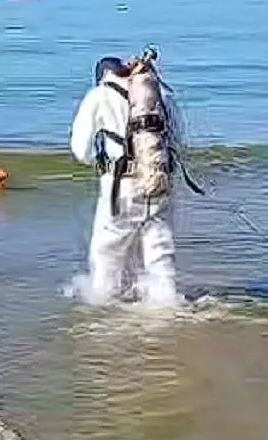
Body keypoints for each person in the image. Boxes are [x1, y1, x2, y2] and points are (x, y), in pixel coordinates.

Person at [69, 56, 179, 307]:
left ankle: (102, 310)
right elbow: (175, 138)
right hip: (159, 180)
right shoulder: (158, 94)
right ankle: (168, 307)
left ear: (102, 76)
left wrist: (100, 162)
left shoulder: (99, 96)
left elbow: (80, 150)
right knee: (160, 252)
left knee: (107, 253)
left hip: (122, 185)